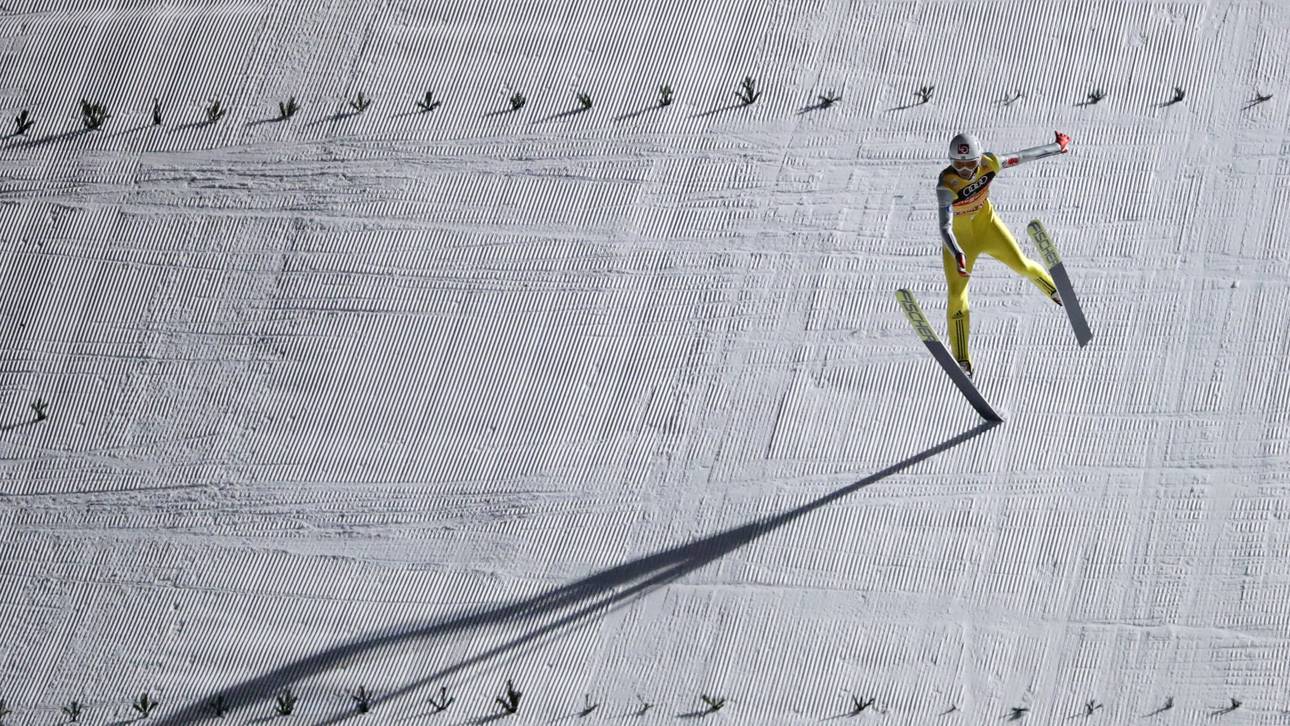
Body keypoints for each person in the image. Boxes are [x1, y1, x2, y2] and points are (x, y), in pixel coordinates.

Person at [935, 131, 1071, 377]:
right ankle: (962, 358)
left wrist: (1056, 147)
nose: (965, 171)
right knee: (957, 296)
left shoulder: (990, 163)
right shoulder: (946, 184)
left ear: (979, 159)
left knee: (1021, 264)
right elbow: (944, 227)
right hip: (960, 243)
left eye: (969, 164)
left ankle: (1055, 291)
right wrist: (956, 253)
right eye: (958, 165)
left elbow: (1022, 156)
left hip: (989, 228)